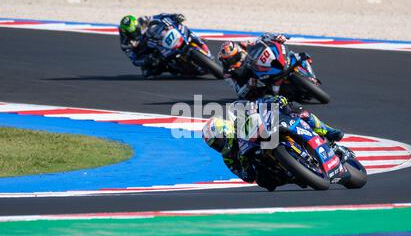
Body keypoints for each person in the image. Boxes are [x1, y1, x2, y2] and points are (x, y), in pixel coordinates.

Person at [202, 95, 344, 190]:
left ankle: (328, 131)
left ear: (225, 130)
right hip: (274, 167)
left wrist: (274, 100)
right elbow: (247, 177)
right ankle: (297, 174)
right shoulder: (228, 158)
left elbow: (257, 104)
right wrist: (244, 162)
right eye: (214, 145)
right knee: (265, 181)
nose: (218, 146)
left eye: (218, 141)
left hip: (268, 131)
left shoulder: (239, 120)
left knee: (294, 109)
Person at [218, 33, 312, 100]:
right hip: (256, 81)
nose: (234, 60)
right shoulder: (228, 73)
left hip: (262, 65)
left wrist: (276, 36)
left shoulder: (243, 45)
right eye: (230, 60)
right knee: (258, 97)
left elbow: (261, 38)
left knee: (294, 55)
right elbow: (238, 92)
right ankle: (278, 95)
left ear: (238, 51)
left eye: (235, 57)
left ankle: (308, 74)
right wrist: (248, 85)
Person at [119, 13, 186, 77]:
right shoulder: (125, 43)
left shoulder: (143, 20)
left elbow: (161, 16)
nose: (136, 31)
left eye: (137, 28)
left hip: (156, 38)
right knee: (148, 73)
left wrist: (174, 16)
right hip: (148, 53)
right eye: (132, 32)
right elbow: (135, 61)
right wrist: (147, 60)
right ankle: (174, 68)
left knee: (171, 28)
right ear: (126, 32)